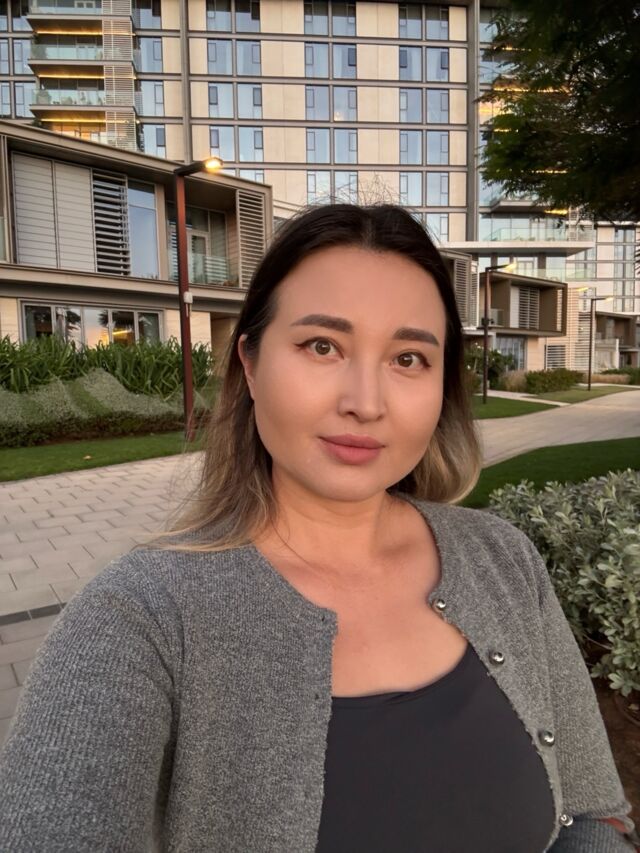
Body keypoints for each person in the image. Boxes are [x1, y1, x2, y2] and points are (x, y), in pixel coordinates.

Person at [0, 203, 637, 853]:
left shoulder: (503, 559)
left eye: (409, 357)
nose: (365, 402)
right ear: (250, 363)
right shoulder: (141, 617)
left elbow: (593, 815)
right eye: (322, 346)